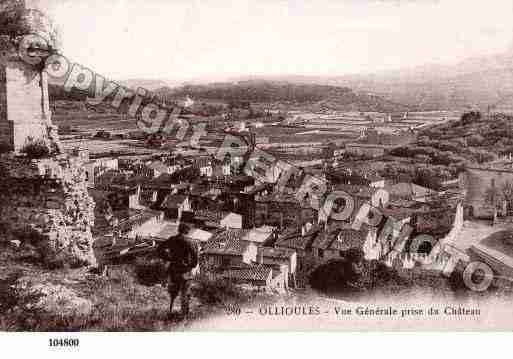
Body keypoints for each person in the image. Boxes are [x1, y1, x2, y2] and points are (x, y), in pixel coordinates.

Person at [157, 223, 198, 318]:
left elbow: (159, 249)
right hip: (185, 271)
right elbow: (195, 256)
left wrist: (168, 258)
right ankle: (184, 315)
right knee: (185, 293)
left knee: (173, 292)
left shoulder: (172, 239)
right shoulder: (191, 241)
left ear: (179, 230)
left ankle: (170, 311)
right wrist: (191, 265)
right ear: (187, 231)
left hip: (173, 270)